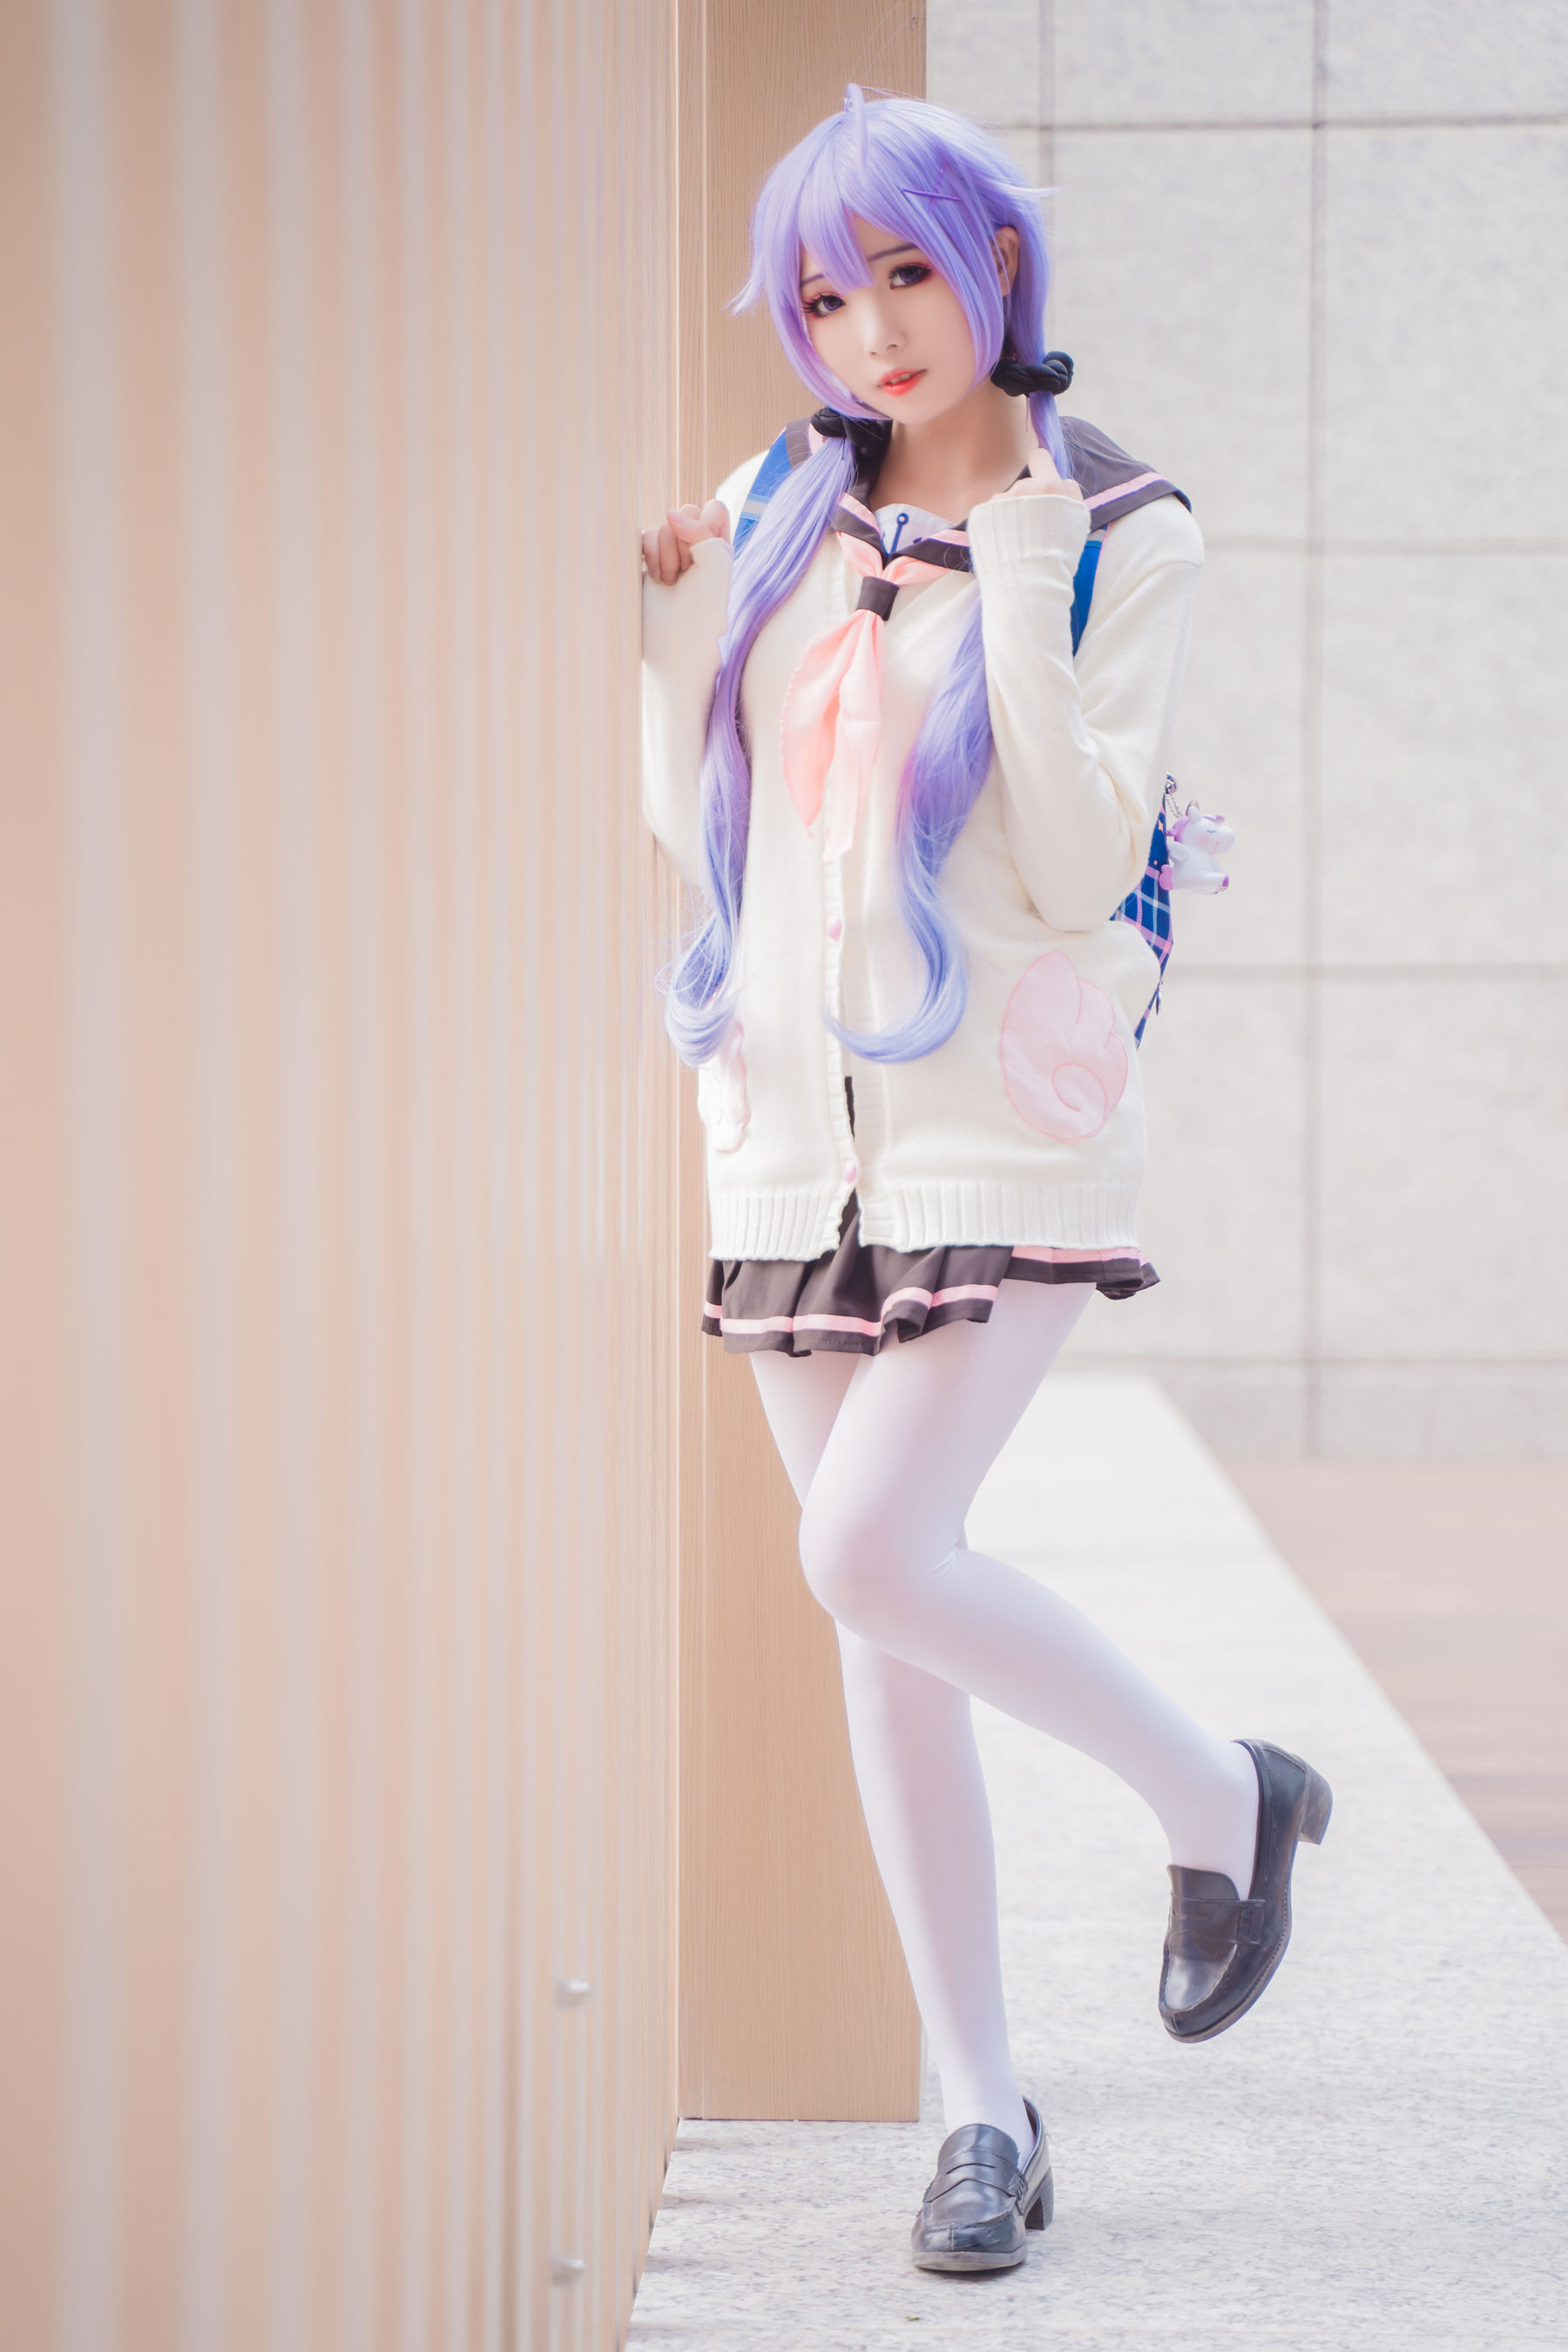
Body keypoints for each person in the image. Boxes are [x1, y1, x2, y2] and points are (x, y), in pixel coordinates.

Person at [640, 87, 1330, 2278]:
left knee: (868, 1550)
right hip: (789, 1132)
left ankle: (1220, 1796)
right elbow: (699, 825)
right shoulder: (774, 500)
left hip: (997, 1119)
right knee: (883, 1615)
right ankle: (977, 2105)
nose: (873, 329)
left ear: (995, 263)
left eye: (907, 271)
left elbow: (1074, 852)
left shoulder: (1123, 520)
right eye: (825, 297)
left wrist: (1017, 567)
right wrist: (673, 630)